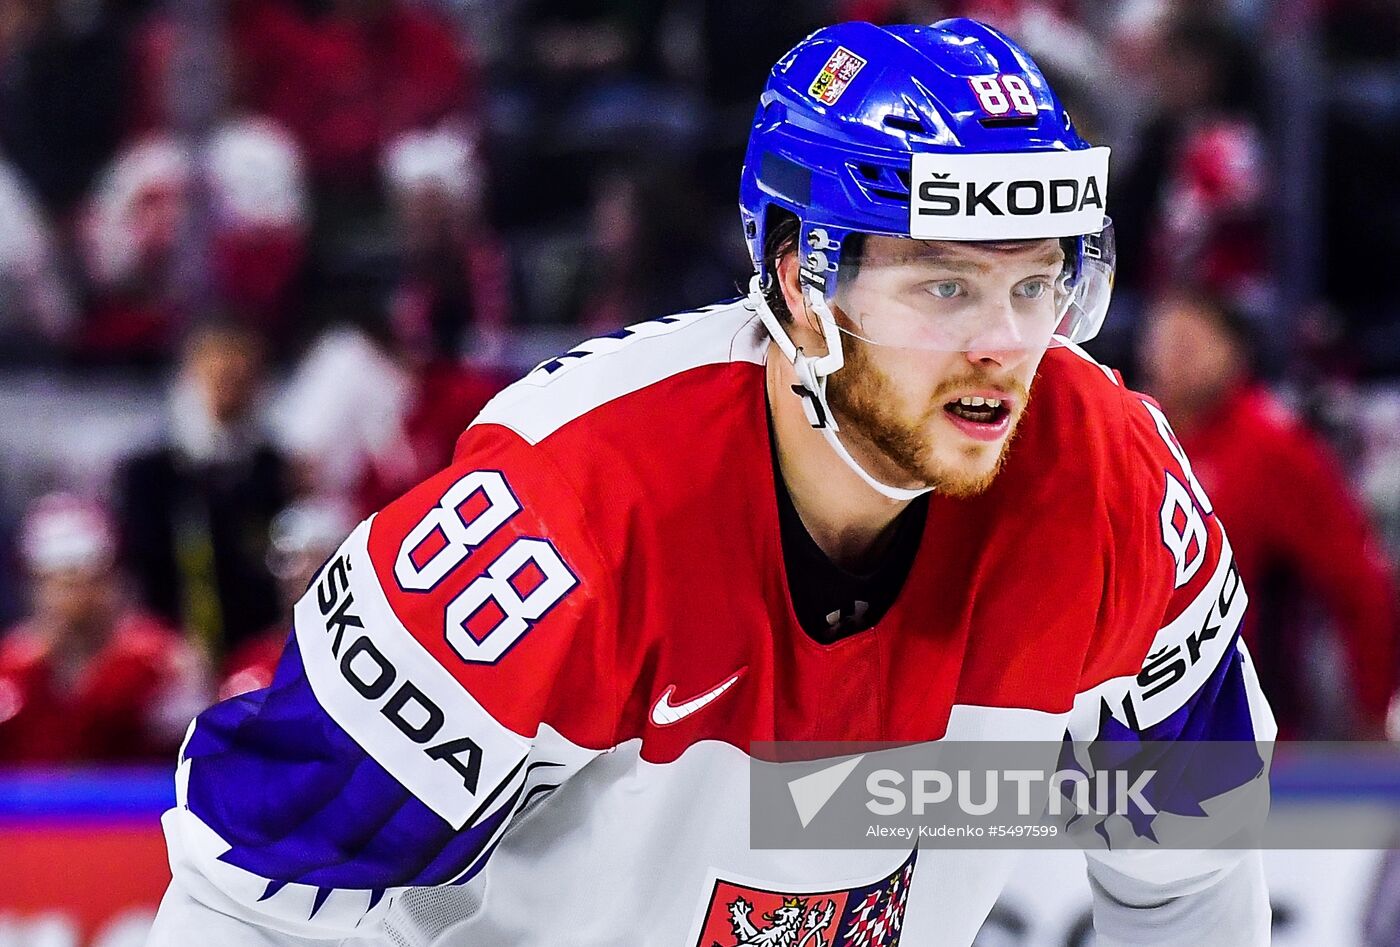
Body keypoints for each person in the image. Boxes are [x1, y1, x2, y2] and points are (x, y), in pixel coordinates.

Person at [149, 20, 1274, 945]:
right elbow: (250, 895)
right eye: (943, 288)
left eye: (1036, 287)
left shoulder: (1110, 480)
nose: (1004, 345)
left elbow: (1189, 859)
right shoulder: (564, 512)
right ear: (798, 282)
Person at [1140, 290, 1400, 738]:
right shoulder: (1131, 436)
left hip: (1247, 730)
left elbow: (1358, 582)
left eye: (1188, 344)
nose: (1171, 359)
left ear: (1233, 352)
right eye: (1162, 343)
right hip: (1131, 722)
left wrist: (1374, 710)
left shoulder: (1273, 447)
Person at [115, 322, 290, 658]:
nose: (230, 388)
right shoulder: (151, 469)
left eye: (241, 378)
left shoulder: (274, 468)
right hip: (171, 646)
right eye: (218, 376)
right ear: (191, 377)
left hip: (256, 646)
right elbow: (138, 565)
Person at [0, 494, 208, 763]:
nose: (78, 598)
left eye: (91, 581)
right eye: (63, 584)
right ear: (36, 586)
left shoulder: (162, 662)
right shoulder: (10, 670)